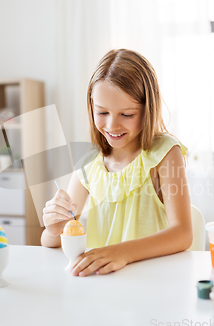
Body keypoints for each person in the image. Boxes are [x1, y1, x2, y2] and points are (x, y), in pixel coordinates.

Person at [41, 49, 192, 277]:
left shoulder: (164, 153)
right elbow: (50, 241)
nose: (112, 125)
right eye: (102, 112)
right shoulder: (89, 164)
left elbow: (182, 233)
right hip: (104, 286)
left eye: (127, 115)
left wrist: (123, 252)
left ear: (147, 109)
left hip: (154, 282)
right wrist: (55, 228)